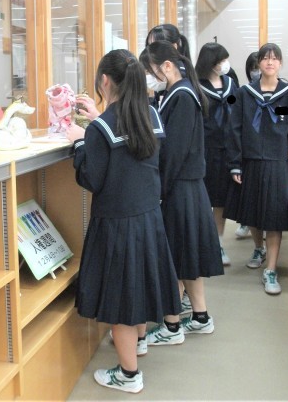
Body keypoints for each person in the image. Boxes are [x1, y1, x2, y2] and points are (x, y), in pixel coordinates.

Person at [65, 49, 181, 394]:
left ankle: (129, 375)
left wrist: (79, 144)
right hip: (148, 217)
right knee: (139, 287)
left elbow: (92, 178)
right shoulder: (151, 114)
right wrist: (96, 124)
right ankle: (139, 342)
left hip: (116, 224)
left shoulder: (101, 128)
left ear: (104, 81)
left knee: (121, 302)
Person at [139, 41, 224, 346]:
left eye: (151, 71)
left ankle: (172, 326)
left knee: (174, 256)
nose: (151, 77)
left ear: (166, 66)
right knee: (186, 255)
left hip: (180, 187)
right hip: (187, 186)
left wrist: (159, 189)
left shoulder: (182, 97)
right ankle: (200, 317)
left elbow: (173, 153)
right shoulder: (181, 92)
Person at [225, 43, 288, 295]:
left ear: (280, 63)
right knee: (252, 213)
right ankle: (258, 248)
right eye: (265, 58)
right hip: (250, 162)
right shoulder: (244, 93)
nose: (270, 62)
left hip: (277, 163)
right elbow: (235, 129)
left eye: (274, 58)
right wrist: (235, 163)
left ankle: (270, 269)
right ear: (258, 63)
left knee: (274, 217)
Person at [195, 42, 238, 267]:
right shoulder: (196, 86)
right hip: (205, 149)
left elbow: (237, 111)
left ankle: (218, 243)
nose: (224, 64)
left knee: (220, 200)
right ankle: (204, 243)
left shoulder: (230, 83)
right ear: (210, 62)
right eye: (221, 60)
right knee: (204, 200)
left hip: (227, 148)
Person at [234, 51, 260, 239]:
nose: (256, 72)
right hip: (247, 148)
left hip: (266, 150)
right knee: (247, 192)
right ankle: (246, 223)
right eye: (253, 68)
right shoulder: (244, 92)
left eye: (257, 67)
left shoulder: (281, 91)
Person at [145, 24, 192, 106]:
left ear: (173, 47)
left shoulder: (180, 86)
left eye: (156, 46)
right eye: (150, 46)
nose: (151, 51)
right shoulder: (164, 77)